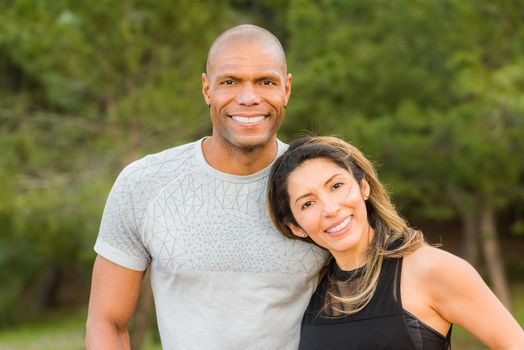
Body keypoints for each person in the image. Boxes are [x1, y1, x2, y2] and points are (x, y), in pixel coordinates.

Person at [85, 25, 328, 350]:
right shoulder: (143, 183)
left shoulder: (322, 187)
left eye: (265, 82)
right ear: (206, 89)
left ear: (286, 89)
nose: (248, 98)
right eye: (230, 82)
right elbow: (107, 322)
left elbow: (388, 285)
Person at [267, 136, 524, 350]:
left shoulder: (429, 269)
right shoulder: (311, 290)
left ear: (363, 187)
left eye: (336, 186)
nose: (330, 209)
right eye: (308, 203)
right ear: (296, 227)